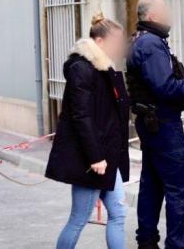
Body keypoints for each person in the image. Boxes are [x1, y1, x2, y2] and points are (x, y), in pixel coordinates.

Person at [126, 0, 184, 249]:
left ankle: (147, 241)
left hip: (152, 123)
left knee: (151, 185)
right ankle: (176, 244)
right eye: (164, 11)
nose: (168, 16)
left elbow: (159, 84)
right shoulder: (152, 44)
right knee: (179, 189)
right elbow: (164, 88)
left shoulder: (141, 41)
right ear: (152, 16)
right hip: (163, 125)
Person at [46, 13, 130, 249]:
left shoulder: (106, 69)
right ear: (100, 42)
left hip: (108, 157)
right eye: (116, 42)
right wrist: (95, 157)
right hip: (94, 160)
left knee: (118, 213)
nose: (120, 48)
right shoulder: (82, 69)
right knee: (79, 218)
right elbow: (81, 116)